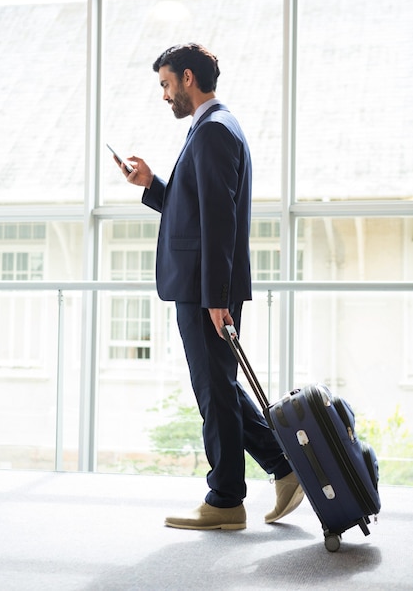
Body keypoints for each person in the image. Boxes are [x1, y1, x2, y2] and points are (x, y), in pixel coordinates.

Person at [113, 43, 304, 530]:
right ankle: (285, 467)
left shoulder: (214, 131)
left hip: (205, 290)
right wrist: (152, 183)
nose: (164, 95)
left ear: (189, 78)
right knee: (220, 387)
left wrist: (217, 298)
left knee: (213, 391)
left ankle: (225, 501)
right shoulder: (211, 128)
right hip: (201, 286)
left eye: (166, 84)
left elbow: (219, 221)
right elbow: (193, 209)